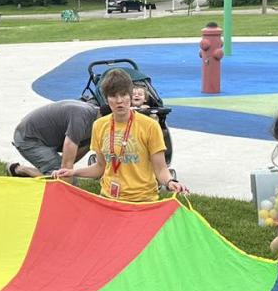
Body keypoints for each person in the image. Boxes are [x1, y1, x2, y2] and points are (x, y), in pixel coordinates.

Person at [53, 69, 187, 202]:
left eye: (123, 95)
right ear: (106, 99)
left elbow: (161, 169)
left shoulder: (150, 126)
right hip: (108, 197)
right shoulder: (99, 125)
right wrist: (73, 172)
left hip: (142, 199)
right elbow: (100, 167)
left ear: (130, 96)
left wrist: (170, 182)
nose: (119, 101)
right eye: (113, 96)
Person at [7, 99, 99, 178]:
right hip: (28, 138)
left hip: (47, 137)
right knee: (64, 180)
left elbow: (71, 158)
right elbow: (67, 162)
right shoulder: (81, 118)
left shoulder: (95, 119)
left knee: (63, 174)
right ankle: (18, 169)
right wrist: (64, 171)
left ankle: (50, 168)